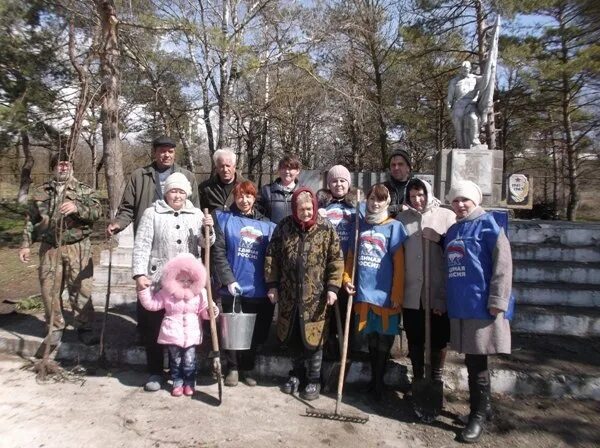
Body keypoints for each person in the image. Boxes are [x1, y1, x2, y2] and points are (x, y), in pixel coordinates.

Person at [430, 180, 513, 443]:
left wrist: (498, 299)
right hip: (460, 304)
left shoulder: (489, 225)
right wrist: (442, 299)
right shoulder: (454, 230)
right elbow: (447, 270)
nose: (460, 204)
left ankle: (477, 415)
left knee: (477, 363)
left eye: (464, 200)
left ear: (475, 200)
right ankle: (484, 408)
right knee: (472, 360)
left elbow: (503, 264)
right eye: (455, 201)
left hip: (482, 306)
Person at [132, 172, 215, 392]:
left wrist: (209, 228)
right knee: (155, 328)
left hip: (188, 282)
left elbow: (205, 244)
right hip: (159, 281)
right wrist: (140, 274)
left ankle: (186, 375)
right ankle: (156, 372)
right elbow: (141, 245)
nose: (176, 195)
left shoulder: (196, 214)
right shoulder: (152, 213)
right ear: (166, 192)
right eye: (172, 191)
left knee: (184, 329)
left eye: (180, 191)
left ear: (186, 193)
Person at [265, 187, 343, 401]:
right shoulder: (283, 227)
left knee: (314, 339)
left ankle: (313, 379)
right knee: (294, 337)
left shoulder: (326, 229)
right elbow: (272, 256)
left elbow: (335, 260)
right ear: (294, 209)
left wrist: (333, 288)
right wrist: (272, 285)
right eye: (301, 209)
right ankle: (296, 374)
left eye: (309, 208)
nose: (306, 213)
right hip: (289, 294)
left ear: (315, 207)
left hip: (316, 297)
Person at [19, 152, 102, 346]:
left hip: (77, 247)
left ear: (71, 166)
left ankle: (85, 327)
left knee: (81, 289)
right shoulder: (41, 192)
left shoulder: (84, 190)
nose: (63, 167)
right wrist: (25, 245)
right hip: (49, 248)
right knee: (49, 290)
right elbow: (31, 221)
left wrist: (77, 207)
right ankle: (54, 328)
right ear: (53, 168)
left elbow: (98, 212)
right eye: (59, 165)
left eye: (66, 164)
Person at [343, 184, 407, 400]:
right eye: (372, 198)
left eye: (381, 199)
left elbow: (399, 266)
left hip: (384, 294)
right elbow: (351, 257)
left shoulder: (394, 227)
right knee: (370, 338)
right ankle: (373, 382)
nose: (375, 203)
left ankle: (379, 383)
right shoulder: (359, 225)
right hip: (363, 291)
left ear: (387, 202)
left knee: (383, 339)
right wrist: (346, 278)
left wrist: (397, 294)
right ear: (367, 200)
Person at [211, 181, 276, 387]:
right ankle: (233, 367)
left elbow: (272, 257)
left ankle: (248, 367)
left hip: (259, 288)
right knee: (232, 330)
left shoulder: (268, 226)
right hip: (234, 287)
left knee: (255, 332)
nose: (244, 200)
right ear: (234, 197)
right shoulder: (223, 220)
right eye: (240, 196)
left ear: (254, 198)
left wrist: (272, 284)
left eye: (248, 196)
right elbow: (218, 253)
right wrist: (228, 280)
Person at [396, 178, 455, 398]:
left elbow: (457, 248)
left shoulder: (446, 216)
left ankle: (436, 377)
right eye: (412, 196)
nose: (417, 200)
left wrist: (439, 239)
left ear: (428, 194)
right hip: (412, 290)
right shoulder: (402, 219)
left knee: (438, 338)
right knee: (415, 336)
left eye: (420, 194)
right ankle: (418, 377)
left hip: (437, 289)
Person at [137, 253, 219, 397]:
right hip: (172, 333)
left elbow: (205, 312)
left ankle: (190, 381)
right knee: (175, 361)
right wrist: (143, 291)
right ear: (174, 277)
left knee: (189, 361)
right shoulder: (167, 293)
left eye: (189, 279)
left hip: (191, 334)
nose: (186, 282)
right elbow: (152, 305)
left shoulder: (201, 293)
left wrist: (212, 310)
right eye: (181, 279)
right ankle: (177, 382)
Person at [107, 135, 199, 236]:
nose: (167, 155)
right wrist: (118, 223)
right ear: (154, 153)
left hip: (179, 236)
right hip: (147, 235)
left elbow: (194, 209)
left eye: (170, 151)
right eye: (163, 151)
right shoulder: (139, 176)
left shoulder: (187, 176)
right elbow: (128, 208)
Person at [317, 165, 360, 357]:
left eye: (342, 180)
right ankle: (328, 345)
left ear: (348, 184)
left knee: (345, 306)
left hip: (349, 264)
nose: (338, 184)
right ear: (329, 185)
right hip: (327, 264)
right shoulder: (322, 206)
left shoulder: (356, 207)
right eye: (334, 181)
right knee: (327, 306)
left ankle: (346, 347)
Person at [446, 61, 483, 148]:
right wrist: (449, 106)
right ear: (460, 69)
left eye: (466, 69)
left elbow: (486, 80)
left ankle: (475, 141)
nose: (465, 71)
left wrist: (491, 69)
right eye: (463, 69)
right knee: (459, 127)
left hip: (471, 104)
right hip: (458, 104)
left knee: (473, 118)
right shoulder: (454, 81)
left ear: (470, 69)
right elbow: (450, 95)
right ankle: (461, 146)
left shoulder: (475, 78)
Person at [199, 148, 246, 213]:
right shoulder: (205, 188)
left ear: (234, 167)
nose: (225, 169)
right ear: (216, 168)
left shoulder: (246, 186)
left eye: (228, 166)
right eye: (221, 166)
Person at [259, 154, 301, 224]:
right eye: (283, 168)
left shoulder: (303, 192)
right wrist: (269, 226)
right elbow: (257, 213)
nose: (287, 171)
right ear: (279, 170)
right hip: (272, 233)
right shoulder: (266, 191)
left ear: (298, 171)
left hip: (295, 234)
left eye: (291, 168)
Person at [383, 146, 412, 218]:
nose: (396, 168)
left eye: (400, 164)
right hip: (388, 227)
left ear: (408, 168)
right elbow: (375, 210)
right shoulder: (383, 188)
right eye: (393, 165)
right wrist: (399, 208)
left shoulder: (416, 188)